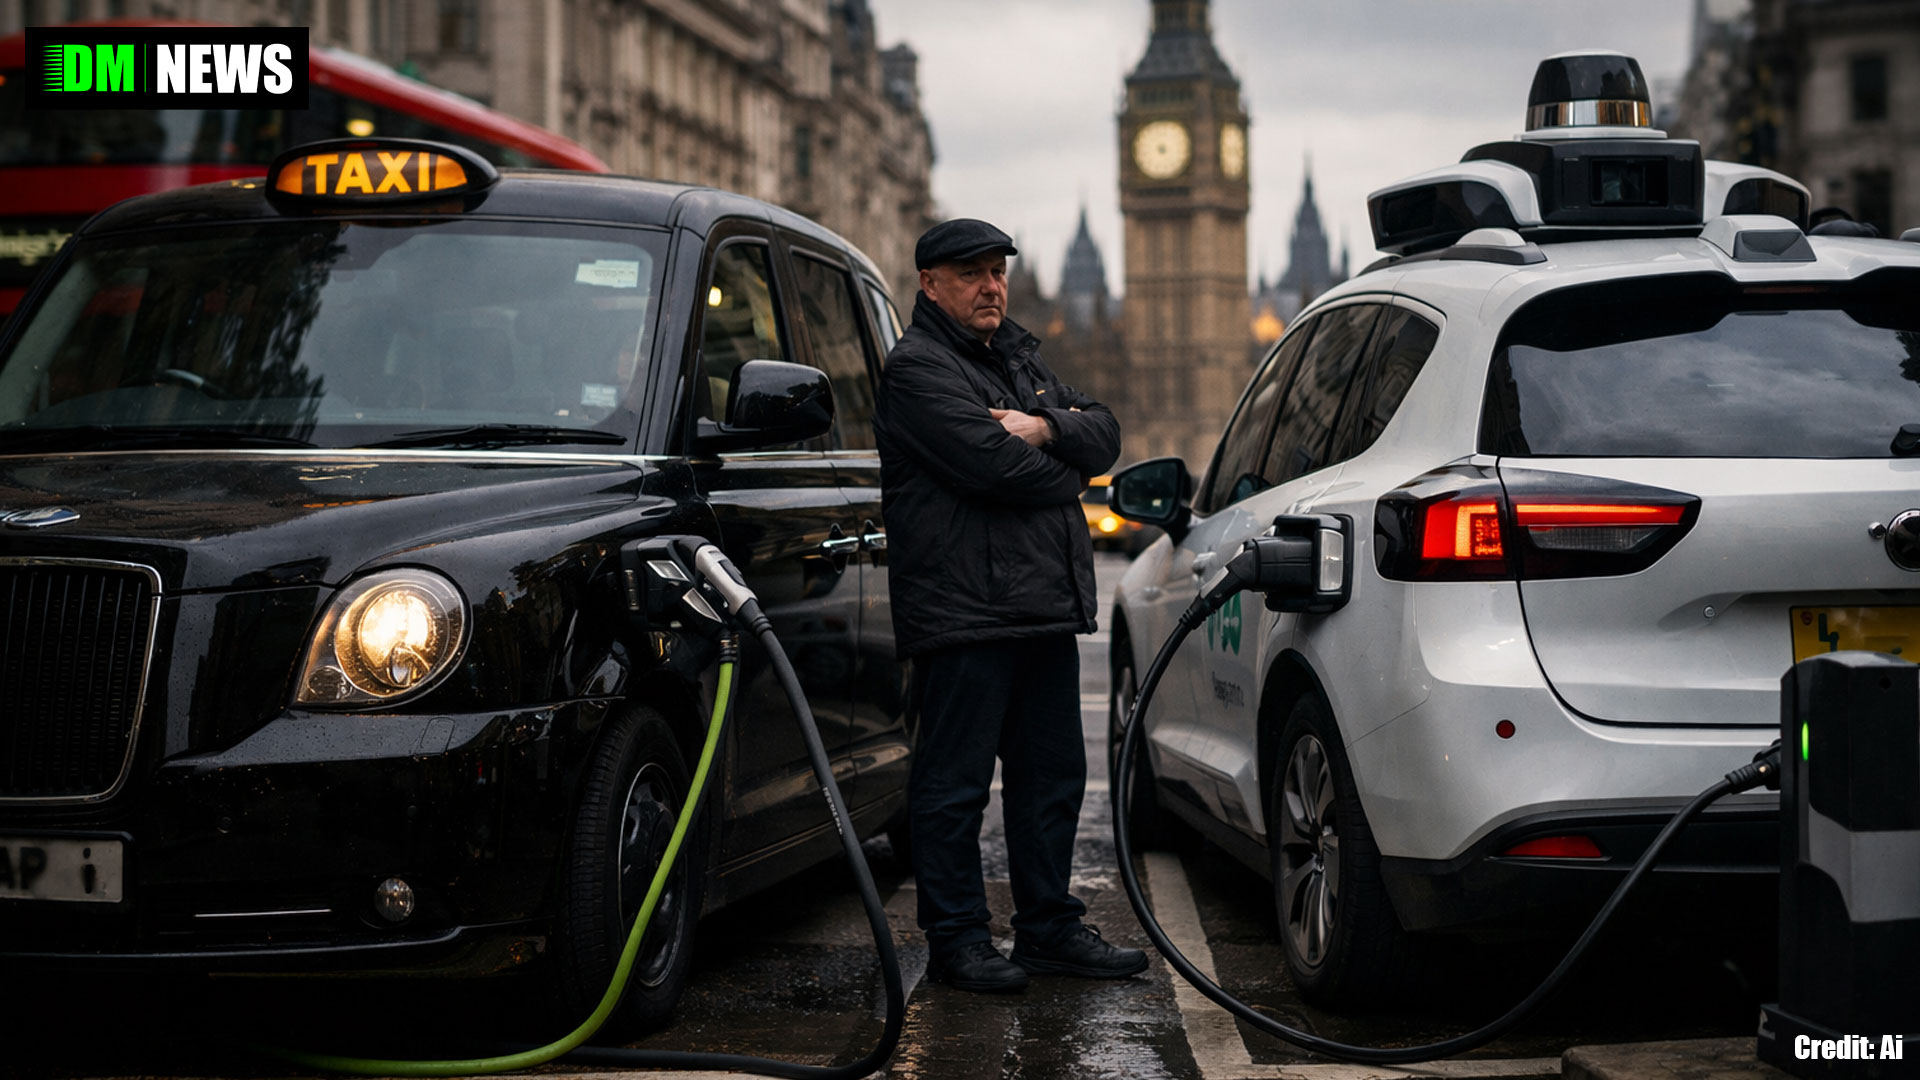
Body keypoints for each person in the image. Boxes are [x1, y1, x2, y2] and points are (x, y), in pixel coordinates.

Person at [873, 218, 1144, 993]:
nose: (992, 286)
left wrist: (1046, 425)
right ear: (930, 284)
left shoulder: (1022, 361)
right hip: (964, 610)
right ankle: (957, 937)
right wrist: (1067, 468)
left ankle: (1048, 928)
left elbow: (1104, 433)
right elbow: (998, 470)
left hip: (1041, 607)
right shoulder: (919, 369)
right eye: (972, 275)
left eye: (998, 272)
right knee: (955, 786)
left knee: (1051, 778)